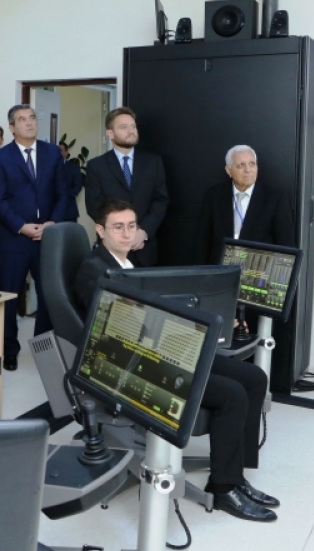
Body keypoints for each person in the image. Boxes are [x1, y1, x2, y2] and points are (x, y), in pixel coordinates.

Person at [73, 199, 279, 523]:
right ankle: (224, 488)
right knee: (232, 394)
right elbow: (115, 326)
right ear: (100, 230)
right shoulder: (95, 269)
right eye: (118, 227)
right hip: (130, 363)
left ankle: (236, 474)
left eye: (131, 226)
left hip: (159, 348)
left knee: (254, 378)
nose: (127, 234)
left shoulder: (127, 263)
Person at [0, 104, 68, 371]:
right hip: (13, 239)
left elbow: (63, 193)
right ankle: (9, 350)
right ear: (12, 127)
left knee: (49, 295)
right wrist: (20, 226)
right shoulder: (1, 157)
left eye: (32, 117)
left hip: (47, 237)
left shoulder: (52, 152)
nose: (29, 122)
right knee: (9, 297)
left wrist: (52, 223)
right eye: (22, 119)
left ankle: (43, 348)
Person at [83, 107, 168, 267]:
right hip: (112, 249)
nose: (131, 131)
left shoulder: (153, 162)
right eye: (123, 127)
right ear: (110, 133)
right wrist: (122, 233)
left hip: (145, 248)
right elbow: (94, 206)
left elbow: (160, 200)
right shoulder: (96, 166)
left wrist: (143, 232)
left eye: (133, 126)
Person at [198, 145, 296, 264]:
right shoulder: (214, 196)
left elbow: (286, 246)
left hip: (257, 270)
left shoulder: (275, 198)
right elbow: (202, 242)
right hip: (222, 270)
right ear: (229, 170)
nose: (248, 170)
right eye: (241, 165)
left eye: (252, 164)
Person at [58, 141, 83, 222]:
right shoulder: (49, 168)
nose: (58, 153)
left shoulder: (74, 168)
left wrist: (66, 195)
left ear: (66, 152)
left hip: (69, 210)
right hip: (51, 212)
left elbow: (78, 186)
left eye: (61, 150)